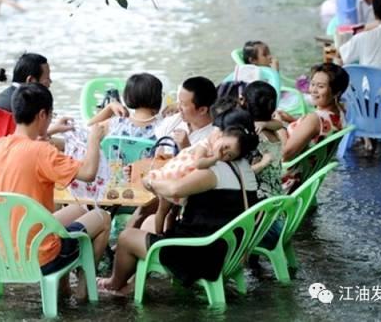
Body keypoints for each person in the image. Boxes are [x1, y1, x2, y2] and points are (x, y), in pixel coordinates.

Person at [97, 107, 259, 295]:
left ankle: (114, 285)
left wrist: (150, 181)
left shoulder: (215, 171)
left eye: (216, 130)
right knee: (150, 222)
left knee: (125, 238)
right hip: (227, 248)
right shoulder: (245, 168)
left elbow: (174, 189)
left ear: (225, 132)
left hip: (201, 254)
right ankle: (133, 282)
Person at [0, 83, 111, 298]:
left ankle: (62, 289)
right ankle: (84, 291)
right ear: (42, 114)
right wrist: (94, 139)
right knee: (102, 217)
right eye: (50, 115)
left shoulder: (1, 145)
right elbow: (89, 172)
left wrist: (52, 128)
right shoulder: (42, 152)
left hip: (5, 251)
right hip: (41, 256)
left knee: (78, 210)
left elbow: (29, 146)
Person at [281, 63, 348, 191]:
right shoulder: (338, 114)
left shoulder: (314, 119)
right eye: (312, 84)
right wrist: (293, 120)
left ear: (336, 92)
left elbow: (285, 154)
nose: (313, 90)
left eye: (321, 86)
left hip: (289, 178)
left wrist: (279, 127)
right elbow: (318, 133)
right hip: (306, 175)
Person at [88, 73, 162, 140]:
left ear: (128, 97)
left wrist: (109, 108)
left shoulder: (116, 123)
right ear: (158, 99)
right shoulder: (164, 127)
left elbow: (89, 131)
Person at [154, 76, 217, 149]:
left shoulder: (214, 137)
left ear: (202, 110)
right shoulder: (176, 119)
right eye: (179, 102)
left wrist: (186, 148)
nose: (178, 108)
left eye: (183, 104)